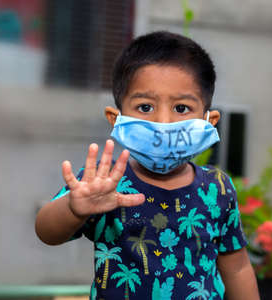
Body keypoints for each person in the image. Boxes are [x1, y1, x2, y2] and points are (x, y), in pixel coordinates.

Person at [35, 31, 259, 300]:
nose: (163, 123)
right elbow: (46, 231)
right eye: (144, 107)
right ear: (115, 119)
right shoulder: (101, 184)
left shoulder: (218, 189)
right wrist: (73, 207)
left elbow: (237, 268)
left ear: (208, 121)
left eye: (181, 108)